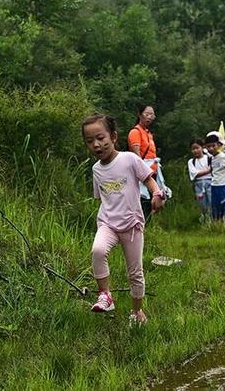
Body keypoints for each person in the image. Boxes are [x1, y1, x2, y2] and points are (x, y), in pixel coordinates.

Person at [83, 113, 164, 326]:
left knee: (135, 272)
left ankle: (137, 312)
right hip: (107, 222)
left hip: (132, 224)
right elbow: (102, 198)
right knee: (98, 251)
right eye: (90, 141)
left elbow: (148, 180)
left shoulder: (129, 159)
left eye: (101, 138)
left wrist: (157, 194)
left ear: (114, 136)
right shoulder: (96, 170)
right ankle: (105, 295)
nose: (96, 144)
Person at [128, 106, 158, 220]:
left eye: (152, 115)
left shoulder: (148, 133)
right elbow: (137, 154)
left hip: (152, 169)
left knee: (151, 198)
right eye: (147, 114)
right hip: (143, 171)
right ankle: (141, 224)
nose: (150, 117)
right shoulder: (135, 132)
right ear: (140, 115)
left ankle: (147, 225)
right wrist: (142, 171)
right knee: (143, 198)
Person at [187, 139, 212, 221]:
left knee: (212, 202)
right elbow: (194, 174)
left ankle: (213, 220)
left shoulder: (209, 158)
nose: (195, 150)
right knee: (202, 204)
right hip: (199, 185)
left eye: (197, 148)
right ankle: (205, 220)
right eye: (193, 149)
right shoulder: (191, 162)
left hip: (210, 182)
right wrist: (208, 170)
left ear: (202, 147)